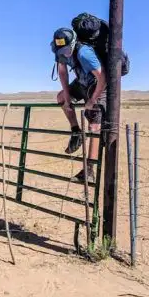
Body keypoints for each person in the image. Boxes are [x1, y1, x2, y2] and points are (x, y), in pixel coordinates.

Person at [51, 27, 107, 183]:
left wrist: (92, 100)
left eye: (68, 49)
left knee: (95, 125)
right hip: (82, 82)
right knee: (61, 97)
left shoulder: (84, 53)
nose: (65, 53)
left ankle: (89, 171)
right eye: (62, 50)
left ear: (74, 43)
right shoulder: (59, 51)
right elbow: (62, 72)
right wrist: (68, 96)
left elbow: (103, 78)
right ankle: (76, 132)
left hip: (98, 85)